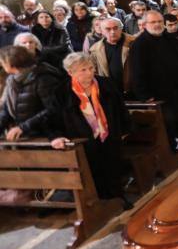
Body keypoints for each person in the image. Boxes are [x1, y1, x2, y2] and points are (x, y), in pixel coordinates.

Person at [52, 53, 127, 201]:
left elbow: (121, 109)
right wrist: (56, 136)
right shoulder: (61, 92)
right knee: (93, 171)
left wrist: (124, 130)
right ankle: (99, 201)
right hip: (83, 141)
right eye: (83, 70)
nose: (90, 73)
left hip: (109, 135)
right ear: (70, 72)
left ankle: (118, 199)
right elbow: (53, 118)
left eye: (91, 68)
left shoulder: (106, 84)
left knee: (113, 168)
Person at [128, 11, 178, 150]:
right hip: (158, 94)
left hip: (176, 89)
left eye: (159, 21)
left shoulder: (169, 37)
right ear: (144, 25)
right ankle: (172, 151)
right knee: (167, 122)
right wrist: (145, 95)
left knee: (177, 119)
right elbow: (137, 72)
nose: (157, 25)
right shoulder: (139, 44)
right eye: (153, 22)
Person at [0, 45, 62, 140]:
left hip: (47, 136)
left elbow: (52, 109)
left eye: (2, 61)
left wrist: (23, 127)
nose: (1, 64)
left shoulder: (43, 78)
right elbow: (6, 109)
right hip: (24, 136)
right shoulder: (11, 80)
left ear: (11, 63)